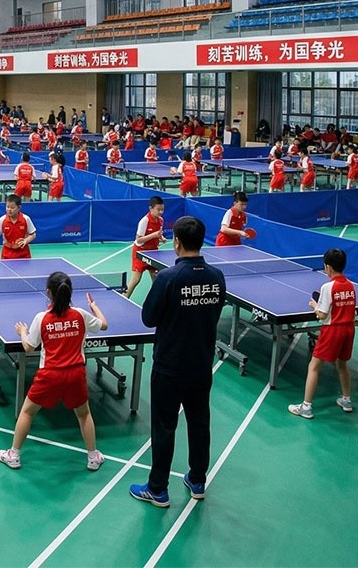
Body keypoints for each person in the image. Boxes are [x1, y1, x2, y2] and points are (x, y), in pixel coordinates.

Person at [130, 216, 225, 508]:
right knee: (200, 422)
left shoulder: (167, 278)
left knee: (164, 425)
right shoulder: (216, 277)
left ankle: (157, 488)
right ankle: (197, 480)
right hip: (200, 364)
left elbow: (148, 318)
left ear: (177, 242)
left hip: (170, 366)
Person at [0, 271, 108, 471]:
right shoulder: (81, 315)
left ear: (48, 292)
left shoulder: (43, 318)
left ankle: (13, 454)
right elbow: (104, 325)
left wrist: (22, 331)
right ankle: (93, 456)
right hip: (75, 374)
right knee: (83, 414)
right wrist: (95, 307)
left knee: (27, 412)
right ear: (70, 292)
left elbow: (29, 347)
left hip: (50, 375)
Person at [288, 249, 357, 420]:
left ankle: (306, 407)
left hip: (332, 330)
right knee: (342, 364)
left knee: (314, 366)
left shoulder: (328, 287)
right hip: (349, 330)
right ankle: (346, 400)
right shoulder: (350, 285)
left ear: (328, 267)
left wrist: (314, 306)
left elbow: (322, 315)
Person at [127, 196, 166, 298]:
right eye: (158, 209)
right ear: (151, 208)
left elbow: (158, 233)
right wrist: (154, 235)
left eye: (162, 209)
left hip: (153, 252)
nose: (161, 212)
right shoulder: (144, 221)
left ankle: (157, 298)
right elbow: (139, 239)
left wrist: (162, 238)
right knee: (136, 279)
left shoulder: (161, 220)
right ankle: (124, 297)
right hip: (140, 252)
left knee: (156, 277)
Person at [0, 194, 36, 260]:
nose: (9, 209)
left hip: (23, 254)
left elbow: (33, 234)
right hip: (7, 254)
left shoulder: (26, 219)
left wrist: (26, 240)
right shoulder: (2, 220)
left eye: (12, 207)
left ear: (19, 207)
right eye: (7, 207)